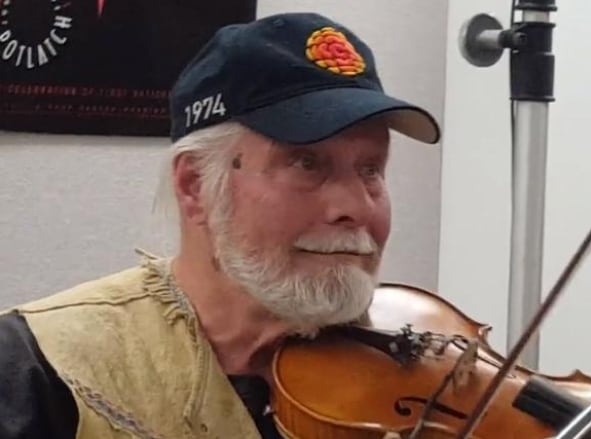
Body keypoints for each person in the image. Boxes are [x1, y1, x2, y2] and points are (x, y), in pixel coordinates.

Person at [0, 12, 440, 439]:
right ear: (195, 186)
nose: (355, 207)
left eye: (370, 170)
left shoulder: (414, 379)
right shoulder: (38, 370)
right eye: (307, 163)